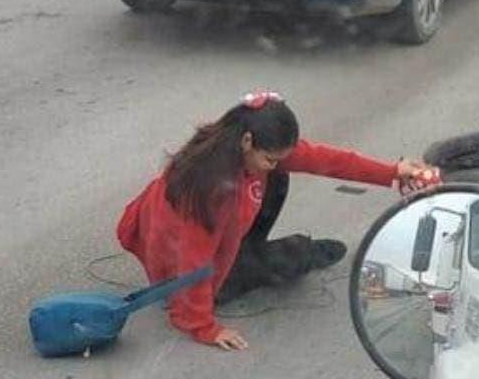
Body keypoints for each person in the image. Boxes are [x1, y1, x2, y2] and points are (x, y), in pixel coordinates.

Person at [117, 91, 440, 351]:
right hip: (177, 269)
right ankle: (296, 254)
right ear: (247, 142)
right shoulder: (210, 190)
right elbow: (193, 260)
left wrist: (391, 173)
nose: (273, 164)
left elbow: (326, 160)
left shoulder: (229, 140)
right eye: (269, 158)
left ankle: (251, 249)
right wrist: (203, 326)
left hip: (205, 236)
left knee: (277, 177)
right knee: (293, 258)